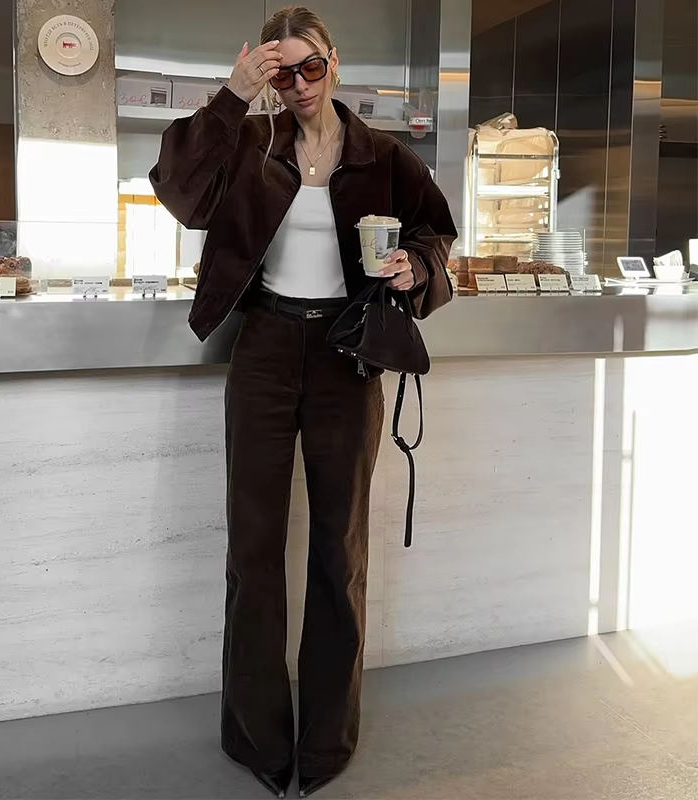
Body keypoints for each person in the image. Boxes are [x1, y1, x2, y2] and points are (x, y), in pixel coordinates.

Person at [150, 6, 457, 797]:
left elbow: (436, 233)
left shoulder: (384, 157)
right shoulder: (251, 143)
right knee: (253, 548)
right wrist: (231, 94)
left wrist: (416, 268)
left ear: (334, 60)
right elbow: (178, 190)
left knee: (339, 548)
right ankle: (256, 736)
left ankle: (327, 739)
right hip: (263, 348)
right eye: (280, 73)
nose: (298, 85)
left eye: (310, 66)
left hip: (346, 355)